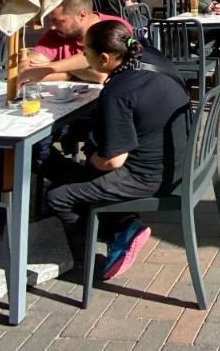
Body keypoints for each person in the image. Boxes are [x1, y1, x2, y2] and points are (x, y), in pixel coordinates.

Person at [44, 20, 191, 281]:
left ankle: (114, 238)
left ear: (103, 58)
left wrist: (92, 158)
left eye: (85, 54)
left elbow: (113, 161)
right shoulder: (149, 55)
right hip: (180, 160)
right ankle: (123, 221)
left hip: (149, 176)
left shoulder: (117, 93)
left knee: (58, 195)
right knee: (77, 167)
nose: (83, 59)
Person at [22, 0, 130, 85]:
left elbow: (102, 75)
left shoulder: (114, 27)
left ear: (81, 15)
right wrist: (68, 73)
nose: (52, 27)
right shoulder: (57, 33)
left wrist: (52, 67)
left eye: (58, 21)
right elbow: (27, 70)